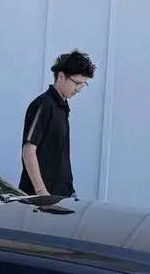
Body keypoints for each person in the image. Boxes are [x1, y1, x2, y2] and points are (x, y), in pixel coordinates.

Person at [19, 50, 95, 199]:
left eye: (83, 84)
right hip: (42, 199)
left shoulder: (62, 106)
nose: (79, 89)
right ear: (61, 76)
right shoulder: (43, 105)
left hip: (63, 194)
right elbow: (28, 151)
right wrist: (42, 193)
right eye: (77, 83)